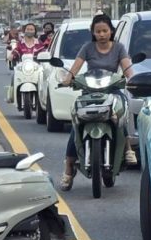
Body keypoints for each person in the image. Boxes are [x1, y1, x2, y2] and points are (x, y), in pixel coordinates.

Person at [58, 13, 136, 190]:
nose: (101, 34)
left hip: (112, 90)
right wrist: (68, 78)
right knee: (76, 123)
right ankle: (68, 169)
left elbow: (128, 69)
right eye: (98, 31)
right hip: (89, 92)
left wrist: (132, 78)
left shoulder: (119, 48)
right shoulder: (87, 48)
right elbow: (75, 68)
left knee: (122, 110)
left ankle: (127, 148)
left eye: (104, 31)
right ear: (93, 32)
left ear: (111, 31)